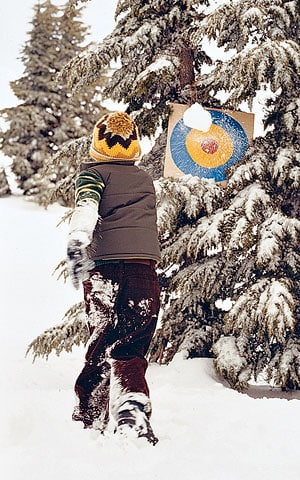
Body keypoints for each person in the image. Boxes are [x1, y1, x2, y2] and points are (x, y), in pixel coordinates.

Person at [66, 112, 161, 445]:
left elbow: (88, 205)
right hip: (143, 270)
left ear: (97, 144)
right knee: (131, 344)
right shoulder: (145, 180)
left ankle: (90, 416)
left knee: (102, 340)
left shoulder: (92, 175)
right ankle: (132, 406)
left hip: (105, 269)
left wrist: (79, 238)